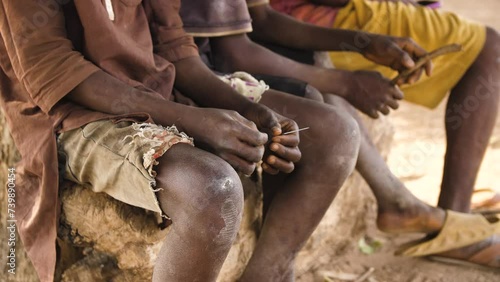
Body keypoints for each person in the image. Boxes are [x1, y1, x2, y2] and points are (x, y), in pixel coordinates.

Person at [0, 0, 363, 281]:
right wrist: (196, 121)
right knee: (211, 189)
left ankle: (269, 271)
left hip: (156, 86)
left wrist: (239, 108)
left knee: (335, 134)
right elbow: (53, 71)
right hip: (70, 112)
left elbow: (174, 47)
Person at [180, 0, 500, 269]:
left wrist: (364, 42)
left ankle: (402, 207)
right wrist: (346, 82)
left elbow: (258, 17)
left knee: (322, 113)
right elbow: (226, 53)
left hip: (219, 55)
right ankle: (272, 272)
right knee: (331, 129)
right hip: (205, 68)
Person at [266, 0, 500, 213]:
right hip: (315, 15)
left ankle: (429, 212)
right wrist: (349, 76)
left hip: (318, 18)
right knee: (490, 48)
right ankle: (449, 215)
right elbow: (256, 28)